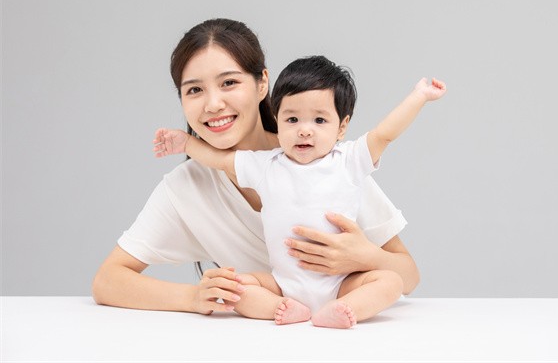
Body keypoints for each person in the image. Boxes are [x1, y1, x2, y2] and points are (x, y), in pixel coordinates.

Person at [92, 18, 421, 322]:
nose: (213, 104)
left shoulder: (328, 162)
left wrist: (365, 256)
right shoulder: (186, 187)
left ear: (263, 83)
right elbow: (107, 281)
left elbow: (408, 275)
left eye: (229, 82)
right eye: (194, 89)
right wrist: (194, 297)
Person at [153, 55, 446, 328]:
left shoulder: (349, 161)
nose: (305, 130)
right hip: (282, 285)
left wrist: (419, 96)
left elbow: (385, 133)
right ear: (277, 119)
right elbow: (219, 160)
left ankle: (345, 308)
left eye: (319, 120)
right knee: (237, 288)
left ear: (341, 127)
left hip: (342, 283)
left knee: (390, 282)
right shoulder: (265, 165)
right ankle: (281, 308)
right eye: (292, 120)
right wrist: (186, 144)